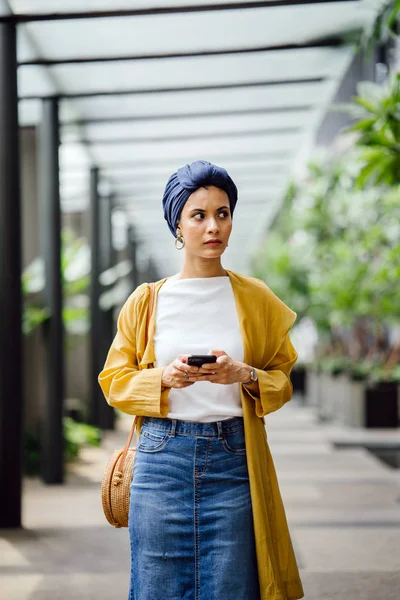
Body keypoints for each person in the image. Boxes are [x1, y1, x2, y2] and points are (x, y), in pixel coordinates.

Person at [98, 160, 304, 600]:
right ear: (178, 224)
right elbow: (114, 380)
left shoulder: (256, 297)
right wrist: (163, 378)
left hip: (234, 458)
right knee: (156, 587)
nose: (214, 226)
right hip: (160, 459)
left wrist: (243, 374)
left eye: (223, 213)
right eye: (199, 215)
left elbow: (282, 378)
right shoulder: (148, 300)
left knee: (232, 587)